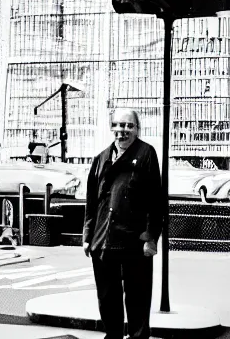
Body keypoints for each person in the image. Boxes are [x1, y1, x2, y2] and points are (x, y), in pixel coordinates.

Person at [83, 108, 163, 339]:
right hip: (103, 238)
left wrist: (151, 238)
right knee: (107, 297)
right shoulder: (101, 158)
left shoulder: (147, 153)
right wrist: (87, 236)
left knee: (137, 296)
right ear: (111, 128)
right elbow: (91, 201)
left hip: (134, 240)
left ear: (137, 129)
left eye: (128, 126)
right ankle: (113, 335)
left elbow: (155, 201)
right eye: (118, 125)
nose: (122, 130)